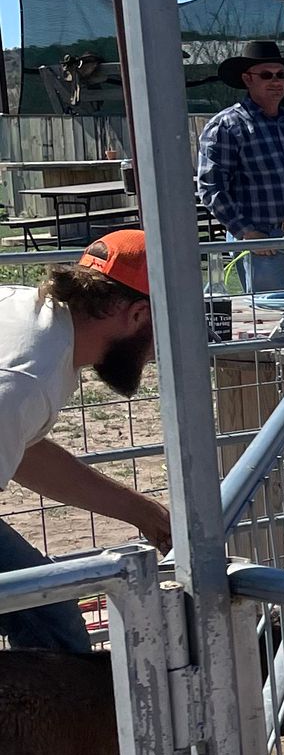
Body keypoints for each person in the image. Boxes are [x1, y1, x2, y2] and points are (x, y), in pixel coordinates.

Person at [0, 231, 170, 655]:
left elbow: (25, 451)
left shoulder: (41, 327)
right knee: (51, 625)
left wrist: (139, 510)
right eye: (163, 332)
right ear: (138, 315)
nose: (155, 353)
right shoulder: (27, 375)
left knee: (47, 612)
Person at [195, 48, 284, 292]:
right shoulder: (226, 126)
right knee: (271, 317)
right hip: (263, 243)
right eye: (266, 75)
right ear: (247, 79)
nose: (276, 81)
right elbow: (211, 188)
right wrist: (247, 232)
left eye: (281, 75)